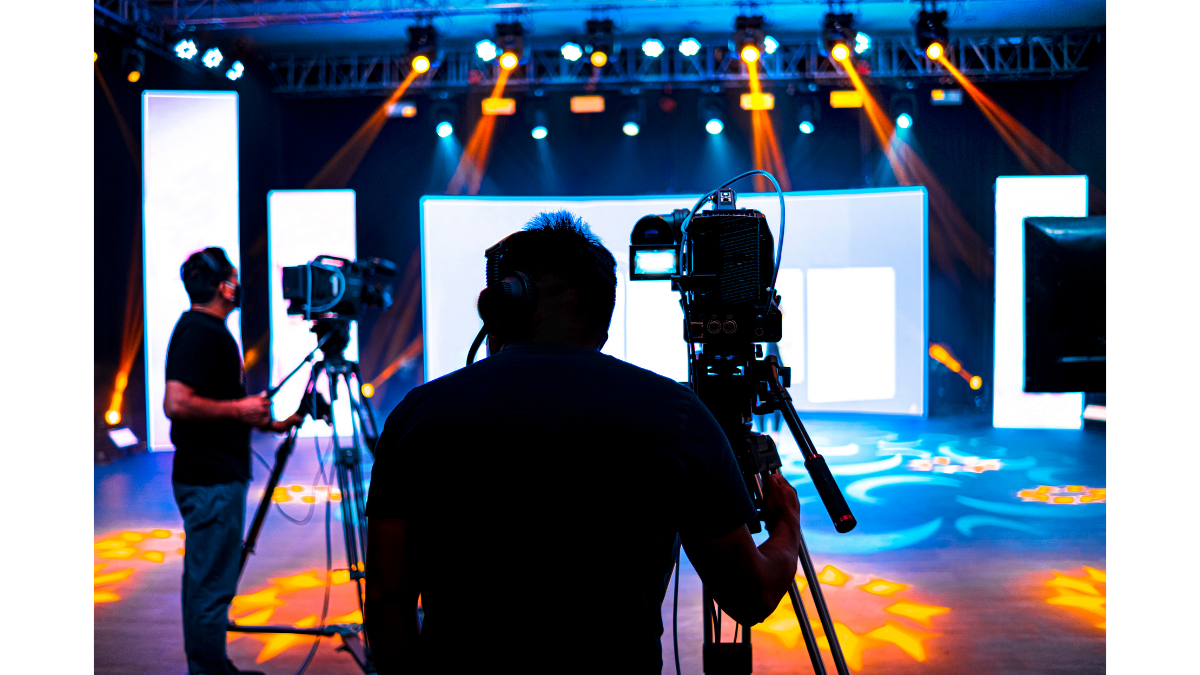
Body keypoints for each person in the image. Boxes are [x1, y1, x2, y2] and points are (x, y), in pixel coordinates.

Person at [364, 213, 801, 673]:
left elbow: (388, 599)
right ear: (603, 324)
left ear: (508, 301)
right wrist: (786, 527)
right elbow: (750, 596)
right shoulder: (679, 415)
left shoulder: (418, 415)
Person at [164, 247, 303, 675]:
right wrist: (241, 409)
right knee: (211, 585)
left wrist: (270, 422)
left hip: (212, 476)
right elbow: (177, 403)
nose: (239, 286)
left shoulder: (206, 330)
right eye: (234, 279)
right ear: (224, 287)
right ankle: (209, 671)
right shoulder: (200, 332)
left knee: (206, 580)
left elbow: (217, 405)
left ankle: (211, 666)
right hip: (211, 481)